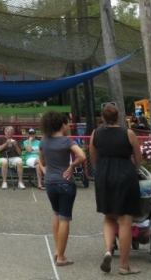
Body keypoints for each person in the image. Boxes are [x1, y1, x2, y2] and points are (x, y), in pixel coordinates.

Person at [90, 104, 143, 275]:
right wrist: (134, 171)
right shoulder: (128, 133)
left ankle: (107, 250)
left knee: (109, 216)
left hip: (104, 174)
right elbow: (138, 156)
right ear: (118, 116)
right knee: (125, 220)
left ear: (102, 118)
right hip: (124, 174)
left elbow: (93, 157)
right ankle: (124, 265)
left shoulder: (95, 134)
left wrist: (100, 171)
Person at [39, 111, 86, 267]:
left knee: (56, 213)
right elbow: (82, 156)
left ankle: (57, 249)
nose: (68, 126)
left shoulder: (44, 141)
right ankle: (61, 256)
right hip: (66, 182)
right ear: (62, 125)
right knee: (65, 218)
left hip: (50, 182)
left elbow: (42, 161)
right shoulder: (67, 141)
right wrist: (72, 166)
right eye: (67, 124)